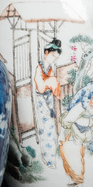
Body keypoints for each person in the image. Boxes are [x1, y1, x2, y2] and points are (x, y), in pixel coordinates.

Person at [32, 39, 62, 168]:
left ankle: (51, 159)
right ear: (46, 53)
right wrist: (51, 82)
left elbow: (55, 86)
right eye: (53, 55)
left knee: (51, 131)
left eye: (56, 57)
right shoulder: (39, 68)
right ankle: (48, 160)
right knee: (45, 130)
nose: (54, 59)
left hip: (49, 102)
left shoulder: (50, 69)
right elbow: (40, 87)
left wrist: (52, 82)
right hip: (41, 102)